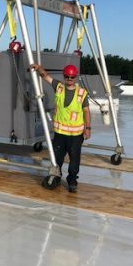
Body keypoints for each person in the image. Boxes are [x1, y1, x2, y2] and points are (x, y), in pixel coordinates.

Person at [30, 63, 91, 193]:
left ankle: (72, 180)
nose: (69, 79)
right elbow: (45, 76)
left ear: (75, 77)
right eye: (67, 77)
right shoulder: (59, 87)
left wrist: (88, 128)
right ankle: (57, 177)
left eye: (72, 77)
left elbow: (86, 111)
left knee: (74, 160)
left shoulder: (82, 93)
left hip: (75, 135)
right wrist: (39, 67)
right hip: (60, 133)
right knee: (57, 158)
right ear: (64, 77)